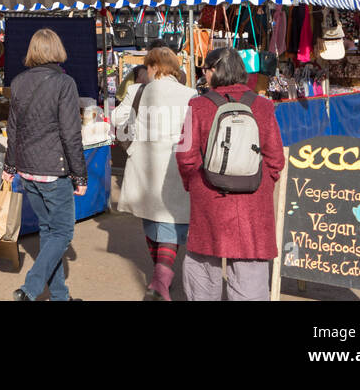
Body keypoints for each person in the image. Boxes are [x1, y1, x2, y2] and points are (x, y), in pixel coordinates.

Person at [175, 47, 285, 301]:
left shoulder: (198, 106)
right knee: (251, 271)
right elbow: (276, 158)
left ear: (216, 71)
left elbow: (185, 155)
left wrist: (194, 184)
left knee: (202, 266)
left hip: (209, 197)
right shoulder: (264, 106)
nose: (204, 74)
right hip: (254, 200)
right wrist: (263, 183)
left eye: (206, 69)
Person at [2, 28, 87, 301]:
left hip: (27, 171)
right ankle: (30, 289)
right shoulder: (65, 84)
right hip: (54, 172)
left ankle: (60, 296)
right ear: (57, 50)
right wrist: (80, 176)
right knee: (62, 232)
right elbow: (71, 134)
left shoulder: (18, 82)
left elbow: (12, 129)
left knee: (50, 233)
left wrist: (10, 166)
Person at [113, 47, 194, 300]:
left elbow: (117, 119)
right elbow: (192, 132)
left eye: (148, 67)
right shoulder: (191, 93)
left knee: (150, 221)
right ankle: (162, 276)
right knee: (171, 221)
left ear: (154, 67)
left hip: (144, 164)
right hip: (176, 162)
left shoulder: (138, 90)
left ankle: (160, 279)